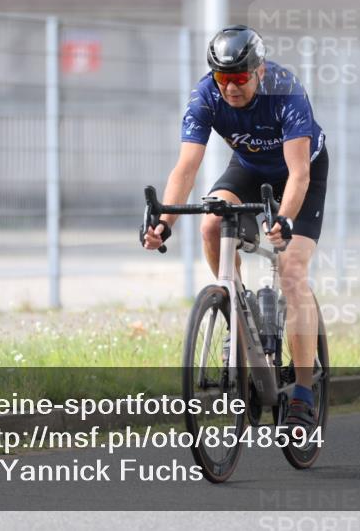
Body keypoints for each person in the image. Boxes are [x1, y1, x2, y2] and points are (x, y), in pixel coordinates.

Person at [142, 25, 328, 429]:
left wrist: (284, 219)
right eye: (222, 79)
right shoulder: (205, 93)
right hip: (247, 168)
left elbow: (299, 175)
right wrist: (164, 222)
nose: (229, 89)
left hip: (300, 173)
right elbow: (187, 166)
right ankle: (237, 309)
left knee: (293, 269)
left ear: (258, 71)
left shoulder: (287, 91)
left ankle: (301, 392)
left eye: (239, 79)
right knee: (211, 224)